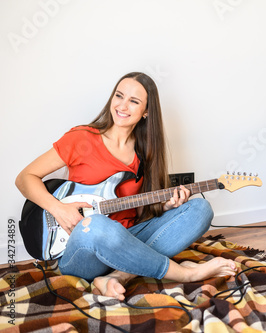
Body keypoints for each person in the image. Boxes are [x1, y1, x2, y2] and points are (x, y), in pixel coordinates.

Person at [15, 72, 237, 300]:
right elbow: (24, 178)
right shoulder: (81, 138)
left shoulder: (144, 152)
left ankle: (119, 276)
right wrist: (58, 209)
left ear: (147, 111)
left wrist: (168, 207)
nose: (122, 105)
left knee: (200, 209)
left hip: (128, 237)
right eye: (119, 96)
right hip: (82, 248)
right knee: (99, 225)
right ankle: (185, 274)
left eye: (134, 101)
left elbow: (139, 213)